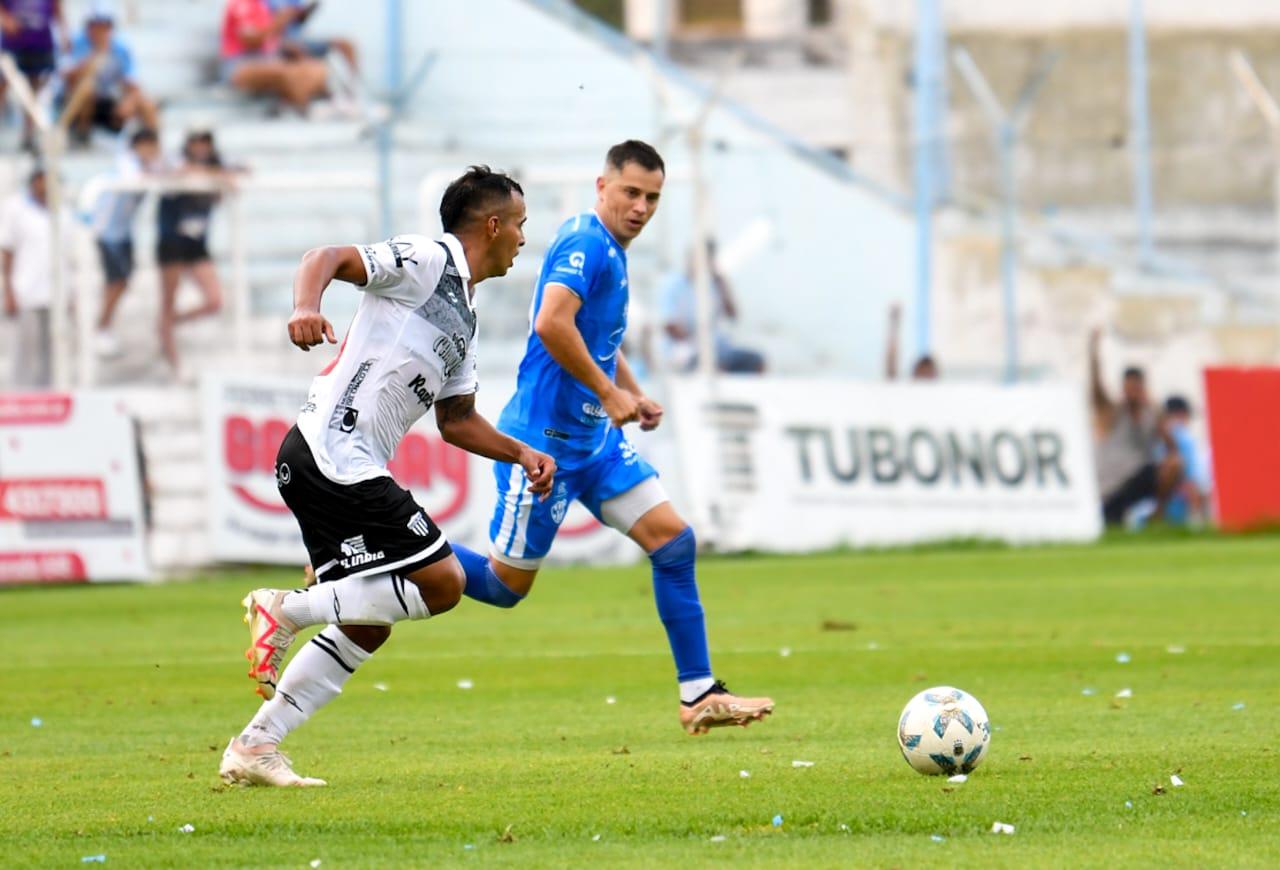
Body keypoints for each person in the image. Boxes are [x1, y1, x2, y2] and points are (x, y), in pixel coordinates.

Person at [219, 166, 556, 788]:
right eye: (519, 226)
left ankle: (256, 744)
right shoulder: (429, 261)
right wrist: (304, 305)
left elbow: (457, 423)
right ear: (491, 224)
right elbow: (325, 256)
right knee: (444, 583)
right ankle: (287, 611)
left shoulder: (466, 318)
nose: (522, 239)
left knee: (368, 624)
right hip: (334, 455)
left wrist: (521, 453)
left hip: (329, 463)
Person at [455, 141, 775, 735]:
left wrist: (630, 389)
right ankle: (391, 548)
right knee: (503, 588)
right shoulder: (585, 244)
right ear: (602, 187)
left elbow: (595, 336)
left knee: (674, 543)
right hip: (544, 445)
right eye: (631, 192)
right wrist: (609, 395)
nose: (641, 207)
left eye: (653, 197)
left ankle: (698, 692)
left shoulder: (613, 251)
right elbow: (551, 323)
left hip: (594, 444)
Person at [1088, 329, 1182, 525]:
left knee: (1174, 464)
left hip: (1140, 477)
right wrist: (1094, 352)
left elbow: (1172, 446)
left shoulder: (1151, 414)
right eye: (1129, 387)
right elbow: (1096, 387)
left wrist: (1154, 409)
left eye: (1136, 387)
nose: (1132, 393)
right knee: (1112, 520)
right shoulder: (1112, 412)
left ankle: (1157, 517)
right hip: (1113, 484)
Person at [156, 128, 230, 373]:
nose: (200, 147)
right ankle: (173, 362)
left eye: (204, 142)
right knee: (169, 299)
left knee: (214, 300)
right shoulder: (178, 163)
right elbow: (176, 172)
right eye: (196, 142)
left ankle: (169, 324)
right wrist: (216, 175)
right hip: (172, 241)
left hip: (196, 243)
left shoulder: (215, 167)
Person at [91, 127, 162, 357]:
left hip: (124, 232)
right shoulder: (126, 162)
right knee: (118, 281)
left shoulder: (148, 164)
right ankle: (101, 326)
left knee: (123, 280)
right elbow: (136, 180)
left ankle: (104, 323)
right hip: (107, 231)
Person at [658, 237, 765, 374]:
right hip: (685, 350)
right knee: (710, 367)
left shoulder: (712, 285)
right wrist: (698, 341)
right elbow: (669, 324)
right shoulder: (673, 284)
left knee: (756, 362)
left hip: (716, 348)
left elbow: (733, 315)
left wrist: (721, 283)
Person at [59, 5, 158, 145]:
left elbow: (132, 82)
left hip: (108, 102)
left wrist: (128, 102)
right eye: (95, 25)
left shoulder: (121, 48)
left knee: (146, 103)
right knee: (87, 87)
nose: (100, 30)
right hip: (77, 106)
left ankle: (152, 143)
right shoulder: (75, 43)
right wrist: (95, 56)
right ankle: (81, 134)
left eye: (105, 25)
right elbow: (66, 77)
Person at [0, 167, 60, 387]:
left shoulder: (61, 210)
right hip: (25, 290)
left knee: (52, 352)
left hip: (55, 293)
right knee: (23, 351)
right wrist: (8, 291)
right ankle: (18, 400)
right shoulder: (16, 208)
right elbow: (7, 251)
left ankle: (47, 398)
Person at [220, 0, 328, 114]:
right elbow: (251, 40)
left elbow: (269, 40)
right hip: (239, 64)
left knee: (317, 68)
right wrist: (279, 21)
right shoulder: (241, 3)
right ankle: (306, 112)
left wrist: (292, 48)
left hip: (267, 60)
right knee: (288, 74)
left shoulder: (262, 5)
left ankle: (310, 108)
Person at [0, 0, 67, 152]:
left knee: (33, 93)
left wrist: (64, 34)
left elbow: (58, 10)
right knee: (3, 84)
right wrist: (5, 20)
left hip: (40, 45)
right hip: (13, 44)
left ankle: (28, 135)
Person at [1159, 395, 1210, 525]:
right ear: (1182, 414)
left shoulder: (1157, 439)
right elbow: (1192, 478)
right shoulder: (1184, 437)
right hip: (1180, 506)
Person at [267, 0, 357, 72]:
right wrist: (284, 17)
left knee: (345, 45)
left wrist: (309, 10)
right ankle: (315, 82)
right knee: (297, 50)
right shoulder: (266, 3)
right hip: (280, 40)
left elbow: (300, 18)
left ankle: (354, 87)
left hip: (300, 39)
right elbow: (265, 28)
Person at [884, 303, 938, 380]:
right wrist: (894, 325)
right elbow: (891, 373)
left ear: (935, 375)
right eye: (923, 373)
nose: (925, 378)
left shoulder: (943, 390)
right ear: (914, 374)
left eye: (928, 374)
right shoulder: (907, 389)